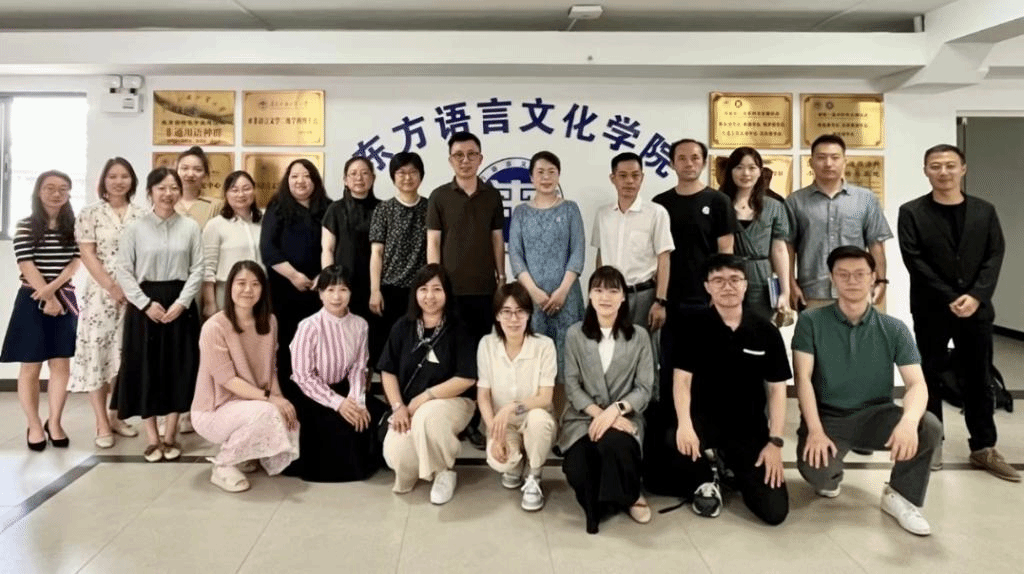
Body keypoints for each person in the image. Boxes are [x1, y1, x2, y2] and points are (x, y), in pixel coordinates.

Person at [794, 246, 942, 536]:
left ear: (873, 277)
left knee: (929, 426)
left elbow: (917, 384)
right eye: (843, 274)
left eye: (860, 274)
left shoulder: (894, 328)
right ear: (832, 278)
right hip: (829, 417)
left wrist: (909, 422)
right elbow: (803, 379)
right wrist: (815, 430)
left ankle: (900, 495)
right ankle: (831, 474)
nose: (852, 280)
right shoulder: (811, 321)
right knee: (819, 475)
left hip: (877, 414)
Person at [898, 144, 1017, 481]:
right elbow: (914, 259)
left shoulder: (984, 211)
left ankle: (984, 447)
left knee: (979, 377)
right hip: (931, 309)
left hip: (976, 311)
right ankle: (930, 444)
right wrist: (951, 296)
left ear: (963, 169)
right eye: (935, 166)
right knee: (928, 377)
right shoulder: (912, 212)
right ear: (925, 171)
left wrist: (976, 296)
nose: (943, 172)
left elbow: (994, 254)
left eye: (950, 165)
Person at [643, 255, 790, 525]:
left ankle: (728, 465)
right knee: (657, 471)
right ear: (707, 286)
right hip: (702, 421)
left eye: (735, 279)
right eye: (718, 280)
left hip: (747, 427)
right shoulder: (692, 327)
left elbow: (777, 390)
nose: (727, 286)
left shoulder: (766, 331)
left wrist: (775, 442)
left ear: (745, 285)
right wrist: (685, 425)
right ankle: (705, 476)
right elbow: (681, 381)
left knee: (774, 511)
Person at [114, 167, 204, 463]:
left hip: (180, 303)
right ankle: (152, 438)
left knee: (179, 366)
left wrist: (182, 303)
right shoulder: (135, 228)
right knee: (147, 368)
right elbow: (123, 270)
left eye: (173, 188)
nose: (168, 193)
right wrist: (144, 303)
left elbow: (198, 268)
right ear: (150, 191)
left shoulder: (190, 227)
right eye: (161, 188)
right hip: (145, 305)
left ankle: (171, 435)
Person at [558, 266, 654, 534]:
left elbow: (644, 388)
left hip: (625, 417)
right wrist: (601, 415)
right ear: (589, 295)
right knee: (578, 467)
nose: (605, 297)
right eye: (598, 290)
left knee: (614, 443)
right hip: (582, 418)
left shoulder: (639, 336)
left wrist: (615, 411)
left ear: (623, 297)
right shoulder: (575, 334)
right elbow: (572, 386)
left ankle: (630, 494)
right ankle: (610, 498)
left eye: (613, 290)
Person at [191, 261, 299, 492]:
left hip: (250, 402)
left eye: (255, 284)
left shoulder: (269, 321)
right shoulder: (214, 327)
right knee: (268, 412)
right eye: (241, 283)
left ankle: (246, 454)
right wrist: (271, 399)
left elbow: (271, 369)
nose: (248, 290)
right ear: (230, 286)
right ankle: (223, 465)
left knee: (288, 416)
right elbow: (227, 380)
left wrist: (281, 400)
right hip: (213, 410)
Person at [426, 131, 504, 449]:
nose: (465, 160)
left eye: (472, 154)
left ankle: (473, 422)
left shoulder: (492, 196)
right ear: (450, 160)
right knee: (450, 356)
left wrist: (501, 278)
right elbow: (433, 242)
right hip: (451, 292)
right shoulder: (439, 196)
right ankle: (448, 418)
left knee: (480, 358)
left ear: (481, 158)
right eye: (459, 155)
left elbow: (497, 239)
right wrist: (435, 286)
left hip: (484, 291)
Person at [379, 264, 477, 505]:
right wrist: (397, 406)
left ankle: (444, 472)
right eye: (423, 289)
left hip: (454, 401)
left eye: (437, 289)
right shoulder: (403, 326)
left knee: (427, 416)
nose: (429, 296)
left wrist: (424, 398)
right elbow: (388, 370)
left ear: (447, 293)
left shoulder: (459, 328)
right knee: (396, 452)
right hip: (408, 407)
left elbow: (467, 377)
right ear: (415, 293)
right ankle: (417, 469)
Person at [68, 158, 146, 448]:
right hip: (101, 294)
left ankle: (116, 416)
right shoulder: (90, 213)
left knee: (124, 357)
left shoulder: (142, 215)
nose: (118, 181)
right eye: (112, 176)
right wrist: (112, 286)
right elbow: (87, 254)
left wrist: (131, 288)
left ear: (132, 180)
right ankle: (101, 422)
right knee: (98, 356)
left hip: (134, 293)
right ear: (103, 181)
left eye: (124, 176)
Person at [283, 265, 387, 482]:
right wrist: (338, 403)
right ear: (320, 294)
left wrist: (356, 400)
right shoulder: (308, 326)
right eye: (330, 290)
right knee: (338, 431)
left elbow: (359, 367)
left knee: (370, 417)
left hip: (344, 388)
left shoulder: (360, 325)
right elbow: (303, 376)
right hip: (311, 393)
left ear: (350, 293)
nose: (337, 297)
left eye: (343, 289)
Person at [1, 170, 80, 451]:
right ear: (38, 191)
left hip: (62, 298)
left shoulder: (74, 226)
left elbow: (75, 262)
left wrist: (53, 294)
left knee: (61, 365)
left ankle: (54, 422)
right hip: (30, 299)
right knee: (30, 366)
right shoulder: (25, 225)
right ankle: (34, 425)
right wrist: (46, 295)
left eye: (63, 188)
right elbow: (26, 263)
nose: (56, 193)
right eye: (50, 188)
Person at [652, 139, 734, 406]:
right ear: (671, 163)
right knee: (669, 362)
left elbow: (726, 251)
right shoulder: (660, 204)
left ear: (704, 162)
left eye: (695, 158)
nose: (689, 163)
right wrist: (659, 298)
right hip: (670, 299)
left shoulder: (718, 201)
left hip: (705, 298)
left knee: (707, 364)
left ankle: (705, 423)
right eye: (682, 158)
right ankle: (671, 423)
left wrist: (720, 295)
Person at [786, 134, 892, 311]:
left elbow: (876, 244)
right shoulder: (795, 201)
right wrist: (790, 284)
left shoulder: (865, 199)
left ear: (845, 162)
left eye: (835, 157)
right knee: (814, 330)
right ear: (811, 163)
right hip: (812, 292)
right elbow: (788, 247)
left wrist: (881, 281)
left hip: (857, 289)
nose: (828, 163)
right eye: (821, 157)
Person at [508, 151, 585, 391]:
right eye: (540, 172)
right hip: (532, 299)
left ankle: (564, 413)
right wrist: (534, 292)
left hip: (567, 297)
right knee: (534, 360)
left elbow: (578, 252)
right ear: (531, 177)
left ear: (559, 176)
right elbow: (516, 256)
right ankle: (538, 410)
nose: (546, 177)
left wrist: (562, 291)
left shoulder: (570, 209)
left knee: (567, 361)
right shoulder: (521, 212)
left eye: (552, 172)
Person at [477, 282, 558, 511]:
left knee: (539, 420)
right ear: (497, 316)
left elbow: (545, 398)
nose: (513, 319)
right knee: (501, 463)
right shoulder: (487, 345)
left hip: (534, 418)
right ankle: (517, 460)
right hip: (504, 424)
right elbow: (483, 396)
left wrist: (512, 407)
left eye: (520, 311)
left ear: (529, 314)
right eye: (506, 312)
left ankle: (534, 474)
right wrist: (494, 432)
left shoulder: (544, 346)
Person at [260, 159, 328, 390]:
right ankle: (289, 393)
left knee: (319, 342)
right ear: (287, 180)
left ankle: (318, 392)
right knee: (288, 340)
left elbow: (336, 247)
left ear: (315, 181)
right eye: (294, 176)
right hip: (285, 288)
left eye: (306, 176)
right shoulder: (277, 207)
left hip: (319, 290)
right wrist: (294, 276)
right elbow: (268, 249)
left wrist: (323, 277)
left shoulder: (328, 208)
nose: (300, 181)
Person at [593, 152, 673, 336]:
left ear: (642, 178)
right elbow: (600, 254)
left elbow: (664, 258)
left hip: (643, 296)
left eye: (635, 175)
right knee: (609, 346)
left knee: (644, 348)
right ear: (613, 178)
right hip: (609, 296)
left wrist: (660, 301)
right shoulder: (603, 214)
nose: (629, 181)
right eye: (623, 176)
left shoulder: (656, 213)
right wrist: (598, 292)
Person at [322, 156, 383, 363]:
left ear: (373, 178)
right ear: (345, 180)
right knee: (343, 341)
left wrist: (377, 290)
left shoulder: (382, 209)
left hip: (374, 285)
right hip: (344, 285)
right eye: (353, 174)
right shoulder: (335, 209)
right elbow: (327, 249)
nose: (359, 178)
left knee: (373, 340)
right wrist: (330, 285)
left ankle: (366, 381)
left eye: (365, 173)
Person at [719, 147, 791, 321]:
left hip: (762, 278)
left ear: (760, 172)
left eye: (752, 168)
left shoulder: (774, 206)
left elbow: (779, 250)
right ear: (730, 171)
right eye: (739, 167)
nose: (746, 173)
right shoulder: (718, 203)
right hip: (728, 276)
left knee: (760, 328)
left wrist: (785, 291)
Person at [368, 152, 428, 356]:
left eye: (413, 172)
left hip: (420, 290)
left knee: (417, 346)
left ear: (421, 175)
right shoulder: (384, 209)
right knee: (388, 347)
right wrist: (375, 290)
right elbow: (376, 253)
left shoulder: (430, 207)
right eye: (401, 172)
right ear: (393, 176)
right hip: (390, 288)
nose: (407, 177)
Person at [201, 170, 262, 317]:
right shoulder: (215, 225)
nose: (241, 194)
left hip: (260, 291)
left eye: (246, 189)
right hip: (227, 292)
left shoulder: (264, 222)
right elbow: (208, 268)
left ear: (254, 191)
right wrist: (210, 303)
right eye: (234, 190)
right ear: (226, 194)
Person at [175, 145, 223, 229]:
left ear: (205, 175)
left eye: (197, 169)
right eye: (185, 168)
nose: (190, 174)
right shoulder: (167, 203)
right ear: (176, 172)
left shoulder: (216, 206)